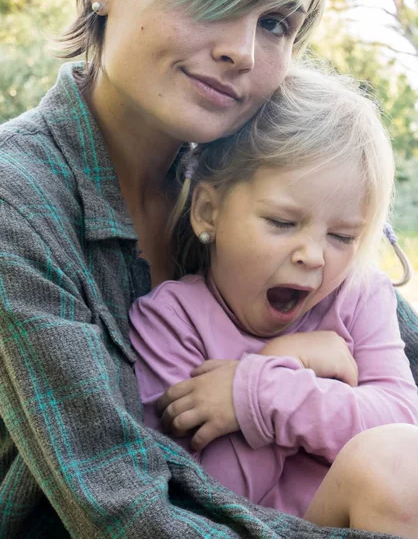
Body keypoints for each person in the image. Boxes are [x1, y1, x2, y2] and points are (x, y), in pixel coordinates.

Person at [0, 0, 417, 537]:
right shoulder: (18, 202)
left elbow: (402, 382)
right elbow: (120, 509)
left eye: (274, 23)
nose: (240, 51)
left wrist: (274, 375)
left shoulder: (253, 177)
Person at [129, 65, 418, 536]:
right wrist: (286, 361)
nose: (313, 256)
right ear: (208, 212)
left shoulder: (359, 295)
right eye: (283, 223)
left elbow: (402, 420)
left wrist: (261, 387)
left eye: (343, 236)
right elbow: (209, 498)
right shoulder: (170, 323)